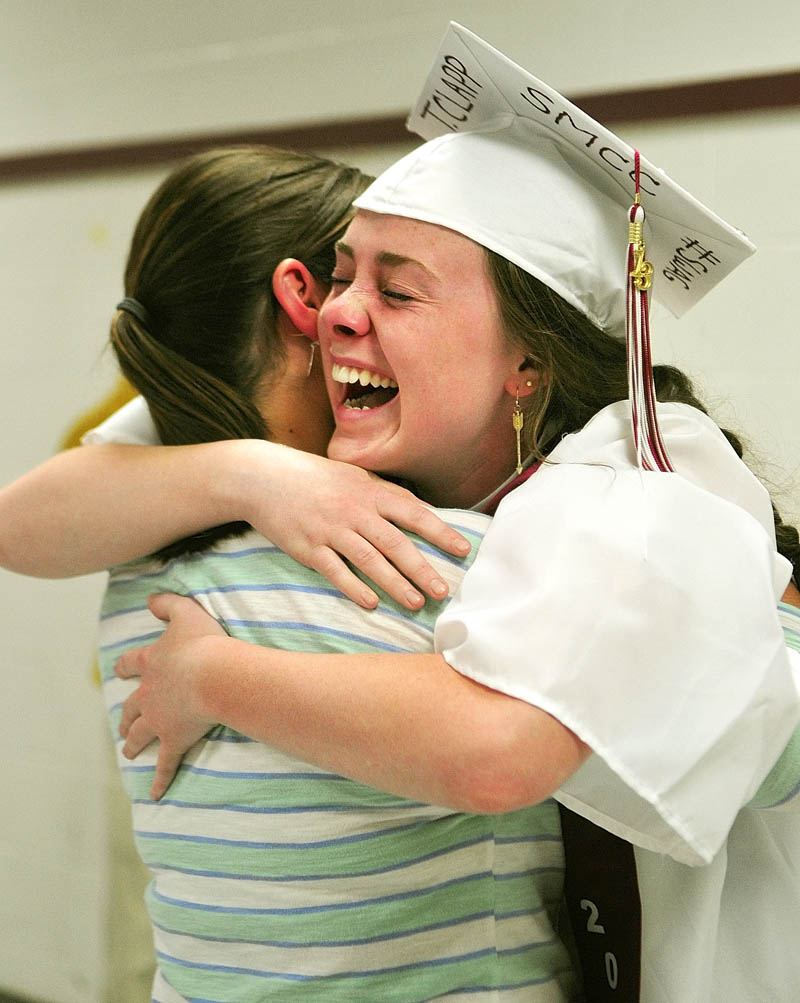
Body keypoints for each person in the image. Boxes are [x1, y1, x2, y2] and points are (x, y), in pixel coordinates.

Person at [1, 25, 799, 1002]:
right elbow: (30, 515)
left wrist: (211, 673)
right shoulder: (333, 469)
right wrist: (255, 473)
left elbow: (498, 746)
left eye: (396, 286)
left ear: (526, 364)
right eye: (341, 272)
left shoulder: (629, 487)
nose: (337, 312)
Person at [33, 144, 586, 1001]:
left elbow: (26, 520)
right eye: (354, 283)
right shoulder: (430, 558)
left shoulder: (134, 552)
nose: (359, 315)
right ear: (307, 308)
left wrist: (248, 475)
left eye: (399, 292)